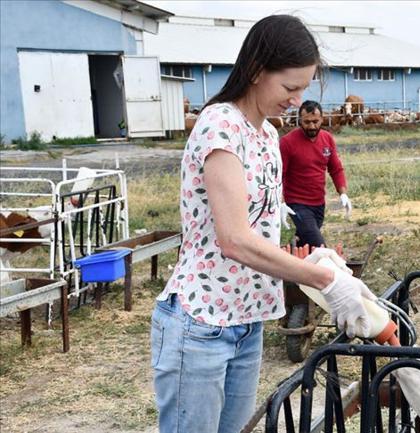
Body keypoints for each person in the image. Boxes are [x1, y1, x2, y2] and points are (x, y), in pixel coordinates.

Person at [150, 15, 376, 433]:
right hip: (203, 323)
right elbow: (234, 239)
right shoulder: (220, 127)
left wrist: (314, 257)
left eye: (304, 88)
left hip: (247, 320)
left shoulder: (267, 135)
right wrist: (323, 280)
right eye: (290, 88)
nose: (297, 100)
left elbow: (259, 230)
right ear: (256, 71)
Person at [279, 100, 352, 248]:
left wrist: (343, 193)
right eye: (306, 122)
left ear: (322, 119)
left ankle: (291, 259)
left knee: (305, 243)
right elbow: (279, 176)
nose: (311, 126)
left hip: (319, 203)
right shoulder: (287, 142)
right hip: (297, 204)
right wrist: (281, 202)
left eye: (315, 121)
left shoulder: (327, 139)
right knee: (319, 246)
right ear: (300, 120)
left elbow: (336, 168)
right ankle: (331, 269)